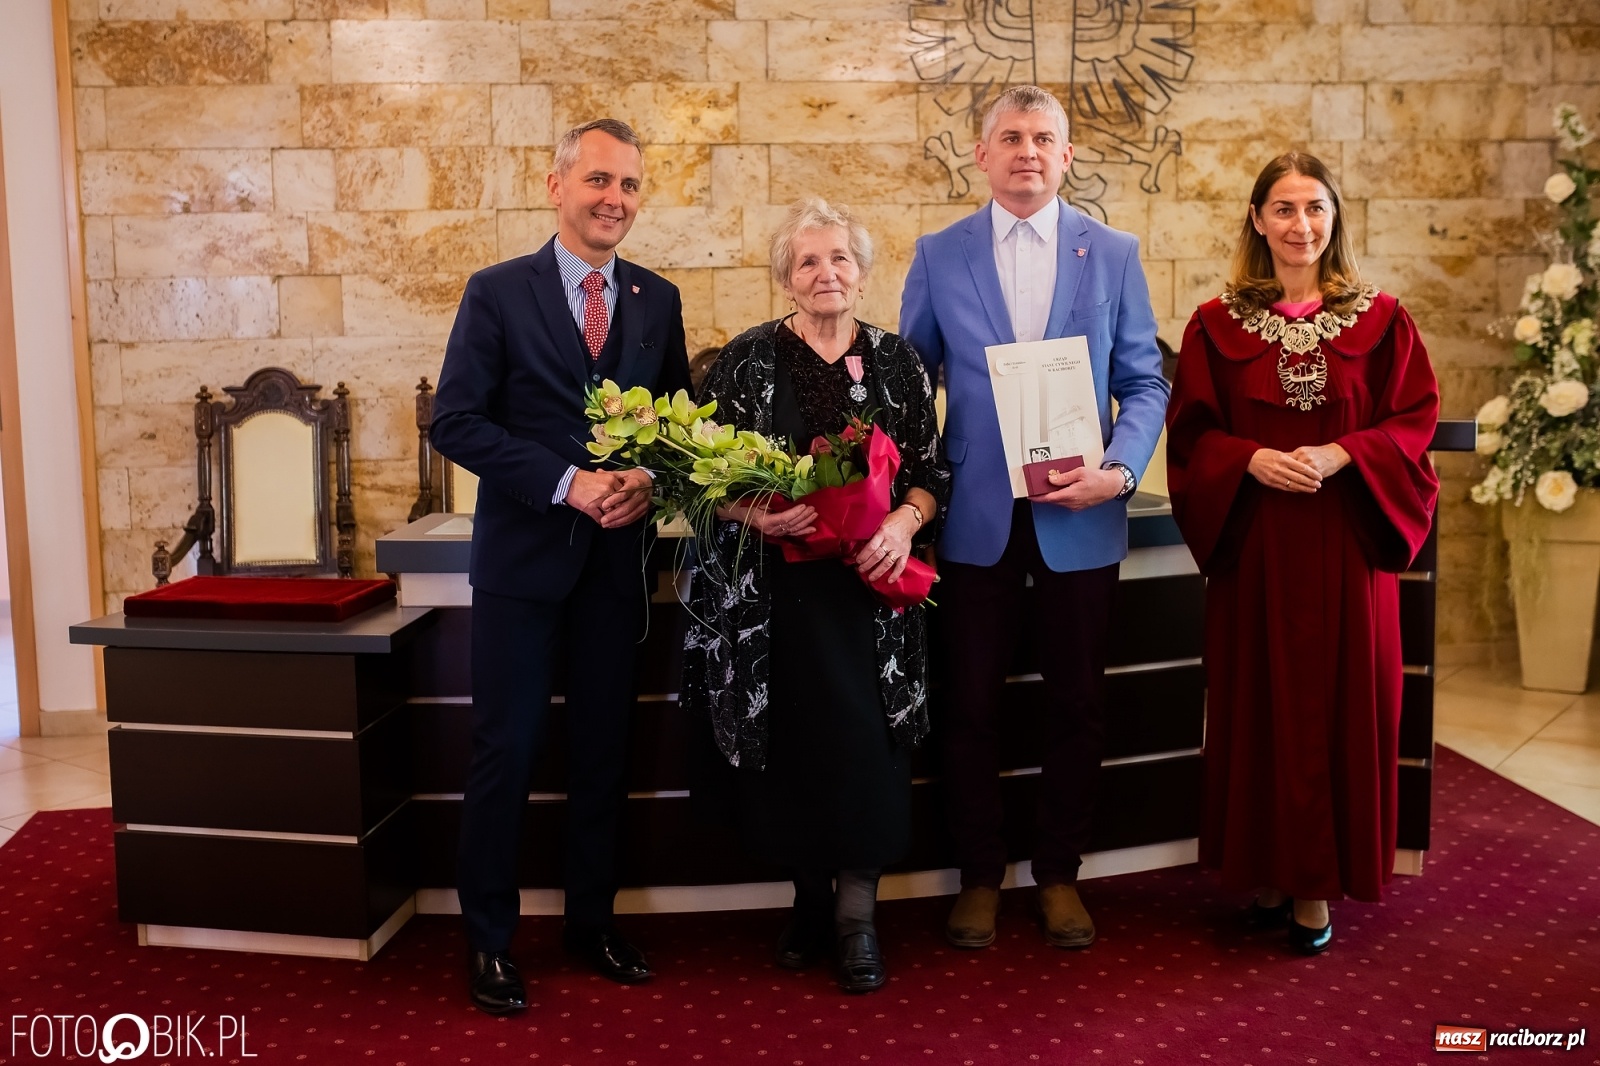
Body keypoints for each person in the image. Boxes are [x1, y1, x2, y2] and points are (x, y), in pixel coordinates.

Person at [899, 85, 1170, 951]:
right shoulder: (938, 254)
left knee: (1078, 707)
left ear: (1067, 154)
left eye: (1043, 138)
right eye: (1009, 137)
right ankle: (980, 874)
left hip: (1080, 516)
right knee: (969, 705)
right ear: (981, 155)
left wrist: (1121, 470)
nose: (1027, 151)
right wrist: (912, 497)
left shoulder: (1115, 252)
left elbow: (1145, 381)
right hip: (975, 518)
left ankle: (1058, 873)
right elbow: (912, 393)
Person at [430, 118, 691, 1014]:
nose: (613, 199)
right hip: (520, 568)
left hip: (618, 573)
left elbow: (680, 429)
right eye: (598, 181)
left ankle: (593, 922)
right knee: (506, 751)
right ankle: (491, 940)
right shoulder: (496, 292)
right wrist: (568, 483)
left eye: (628, 186)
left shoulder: (658, 300)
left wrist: (649, 482)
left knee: (603, 754)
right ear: (556, 185)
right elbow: (456, 422)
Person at [1164, 153, 1438, 954]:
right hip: (1257, 546)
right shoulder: (1214, 324)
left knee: (1342, 704)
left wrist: (1342, 454)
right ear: (1257, 220)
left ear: (1335, 216)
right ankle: (1271, 869)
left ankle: (1317, 884)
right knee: (1259, 705)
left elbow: (1413, 419)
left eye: (1314, 208)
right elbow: (1191, 435)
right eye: (1283, 209)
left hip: (1348, 543)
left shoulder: (1383, 319)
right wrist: (1246, 460)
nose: (1300, 225)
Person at [680, 198, 951, 994]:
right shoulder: (746, 360)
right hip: (776, 602)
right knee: (793, 752)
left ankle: (857, 921)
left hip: (874, 597)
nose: (825, 273)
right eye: (807, 262)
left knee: (866, 756)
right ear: (786, 278)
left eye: (839, 260)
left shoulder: (900, 362)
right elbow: (702, 479)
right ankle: (805, 905)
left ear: (863, 274)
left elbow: (933, 475)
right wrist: (752, 509)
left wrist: (903, 523)